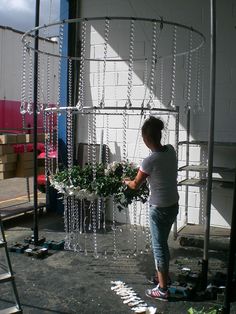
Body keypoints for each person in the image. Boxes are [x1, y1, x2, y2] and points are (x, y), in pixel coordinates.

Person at [124, 116, 179, 301]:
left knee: (159, 247)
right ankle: (163, 277)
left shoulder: (149, 161)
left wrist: (124, 181)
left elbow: (135, 185)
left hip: (159, 209)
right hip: (173, 205)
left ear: (147, 139)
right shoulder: (171, 151)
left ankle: (162, 290)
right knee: (162, 242)